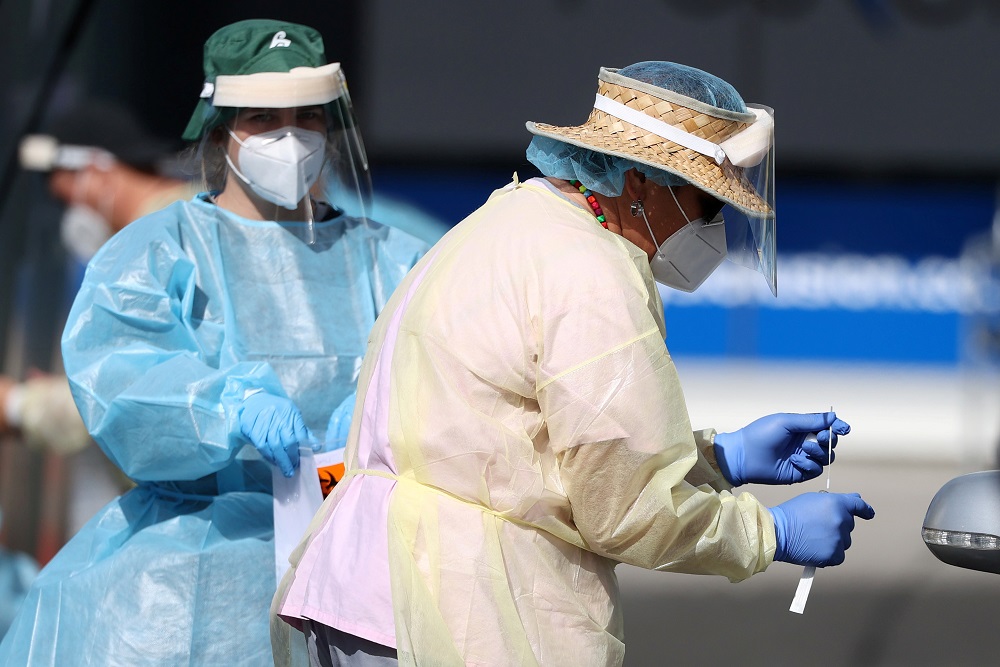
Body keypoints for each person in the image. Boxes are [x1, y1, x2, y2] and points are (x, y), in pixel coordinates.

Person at [272, 62, 876, 666]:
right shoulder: (591, 273)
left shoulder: (512, 220)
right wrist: (772, 535)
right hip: (448, 606)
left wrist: (720, 458)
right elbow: (623, 511)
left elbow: (534, 453)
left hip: (369, 592)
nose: (711, 225)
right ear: (639, 181)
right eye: (705, 202)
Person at [0, 18, 428, 666]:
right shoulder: (159, 252)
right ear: (221, 129)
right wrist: (223, 406)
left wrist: (387, 411)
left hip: (361, 570)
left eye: (307, 117)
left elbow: (459, 364)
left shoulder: (393, 259)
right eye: (262, 118)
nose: (288, 137)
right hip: (187, 586)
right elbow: (118, 379)